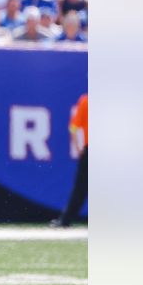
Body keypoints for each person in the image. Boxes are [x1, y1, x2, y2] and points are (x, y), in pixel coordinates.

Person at [52, 92, 87, 227]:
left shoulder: (86, 101)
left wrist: (78, 147)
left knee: (80, 188)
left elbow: (73, 127)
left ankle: (65, 221)